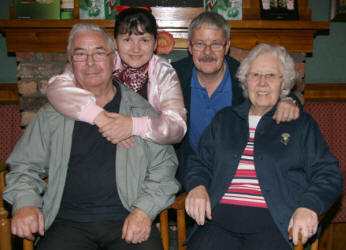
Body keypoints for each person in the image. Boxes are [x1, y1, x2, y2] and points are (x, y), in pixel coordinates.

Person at [3, 23, 180, 250]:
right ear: (70, 60)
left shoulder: (140, 112)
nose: (90, 63)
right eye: (80, 54)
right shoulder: (52, 115)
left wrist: (144, 210)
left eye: (98, 53)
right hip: (66, 222)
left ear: (113, 58)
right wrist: (25, 203)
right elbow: (24, 166)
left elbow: (165, 168)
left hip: (126, 218)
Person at [183, 43, 343, 250]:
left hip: (275, 224)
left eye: (271, 76)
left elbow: (328, 173)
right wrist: (197, 186)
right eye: (255, 74)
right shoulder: (225, 120)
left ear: (283, 82)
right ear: (245, 80)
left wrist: (309, 205)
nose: (262, 83)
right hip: (218, 221)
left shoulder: (301, 125)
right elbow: (198, 163)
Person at [172, 12, 300, 181]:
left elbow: (284, 92)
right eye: (200, 44)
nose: (207, 52)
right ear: (189, 47)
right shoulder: (174, 76)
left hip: (236, 173)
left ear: (227, 47)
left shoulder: (244, 76)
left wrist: (289, 101)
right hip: (187, 174)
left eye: (216, 44)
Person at [47, 7, 187, 148]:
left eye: (144, 40)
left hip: (148, 151)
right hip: (98, 140)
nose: (136, 49)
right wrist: (100, 118)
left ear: (155, 44)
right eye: (127, 40)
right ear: (115, 43)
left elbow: (177, 128)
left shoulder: (163, 72)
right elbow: (56, 87)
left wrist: (133, 126)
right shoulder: (103, 60)